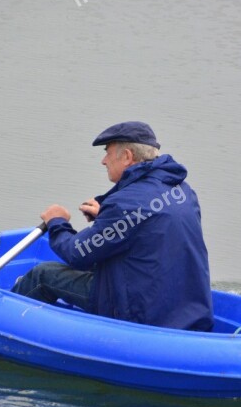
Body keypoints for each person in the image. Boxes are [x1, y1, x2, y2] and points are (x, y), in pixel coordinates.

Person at [12, 121, 214, 332]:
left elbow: (77, 254)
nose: (103, 161)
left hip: (139, 312)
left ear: (127, 156)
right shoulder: (182, 190)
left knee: (43, 274)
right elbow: (148, 224)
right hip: (182, 308)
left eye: (107, 152)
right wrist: (107, 217)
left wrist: (57, 222)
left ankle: (5, 326)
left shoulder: (126, 204)